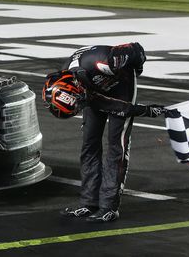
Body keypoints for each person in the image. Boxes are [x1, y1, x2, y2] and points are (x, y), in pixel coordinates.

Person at [42, 43, 176, 223]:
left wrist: (137, 69)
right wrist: (85, 100)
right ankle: (88, 203)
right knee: (89, 144)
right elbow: (96, 101)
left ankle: (109, 206)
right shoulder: (70, 84)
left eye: (78, 105)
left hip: (122, 87)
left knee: (116, 145)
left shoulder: (107, 61)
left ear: (76, 89)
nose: (79, 108)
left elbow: (137, 49)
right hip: (93, 92)